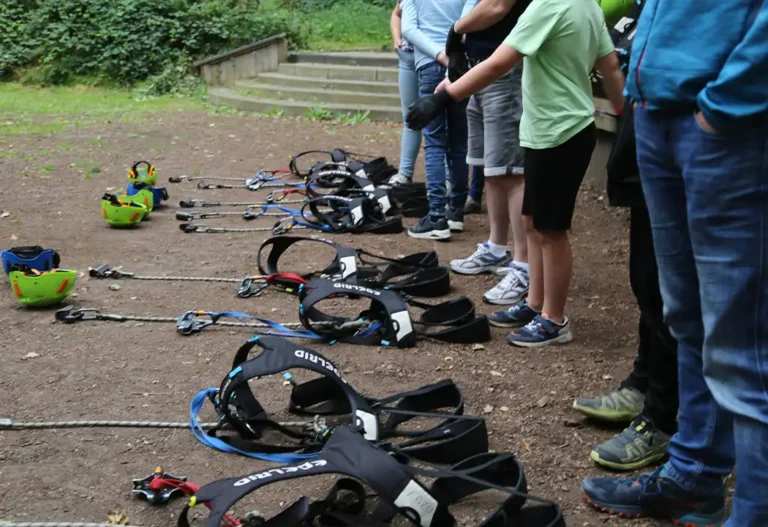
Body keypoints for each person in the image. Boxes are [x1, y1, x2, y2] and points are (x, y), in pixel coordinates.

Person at [581, 0, 768, 525]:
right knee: (686, 316)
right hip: (659, 114)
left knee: (745, 342)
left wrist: (727, 103)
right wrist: (643, 93)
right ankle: (693, 479)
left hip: (730, 125)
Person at [408, 0, 625, 346]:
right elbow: (610, 66)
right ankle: (535, 302)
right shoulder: (587, 6)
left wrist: (446, 96)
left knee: (551, 230)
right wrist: (623, 111)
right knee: (532, 222)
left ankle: (554, 320)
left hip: (560, 132)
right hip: (548, 130)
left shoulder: (548, 6)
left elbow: (498, 63)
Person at [572, 0, 679, 473]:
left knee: (674, 296)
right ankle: (644, 382)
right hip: (648, 149)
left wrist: (710, 117)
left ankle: (666, 416)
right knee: (647, 282)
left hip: (688, 149)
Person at [445, 0, 532, 309]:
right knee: (491, 170)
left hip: (504, 71)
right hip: (481, 68)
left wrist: (456, 30)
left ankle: (525, 266)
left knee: (512, 171)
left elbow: (497, 6)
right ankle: (496, 247)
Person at [401, 0, 470, 241]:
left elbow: (408, 29)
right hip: (462, 65)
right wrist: (452, 56)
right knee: (459, 142)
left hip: (430, 65)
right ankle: (456, 212)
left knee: (434, 141)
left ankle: (436, 216)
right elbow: (469, 18)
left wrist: (440, 55)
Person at [389, 0, 422, 186]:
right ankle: (404, 173)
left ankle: (449, 181)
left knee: (442, 121)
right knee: (410, 117)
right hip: (408, 58)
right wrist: (396, 38)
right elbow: (396, 14)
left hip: (436, 60)